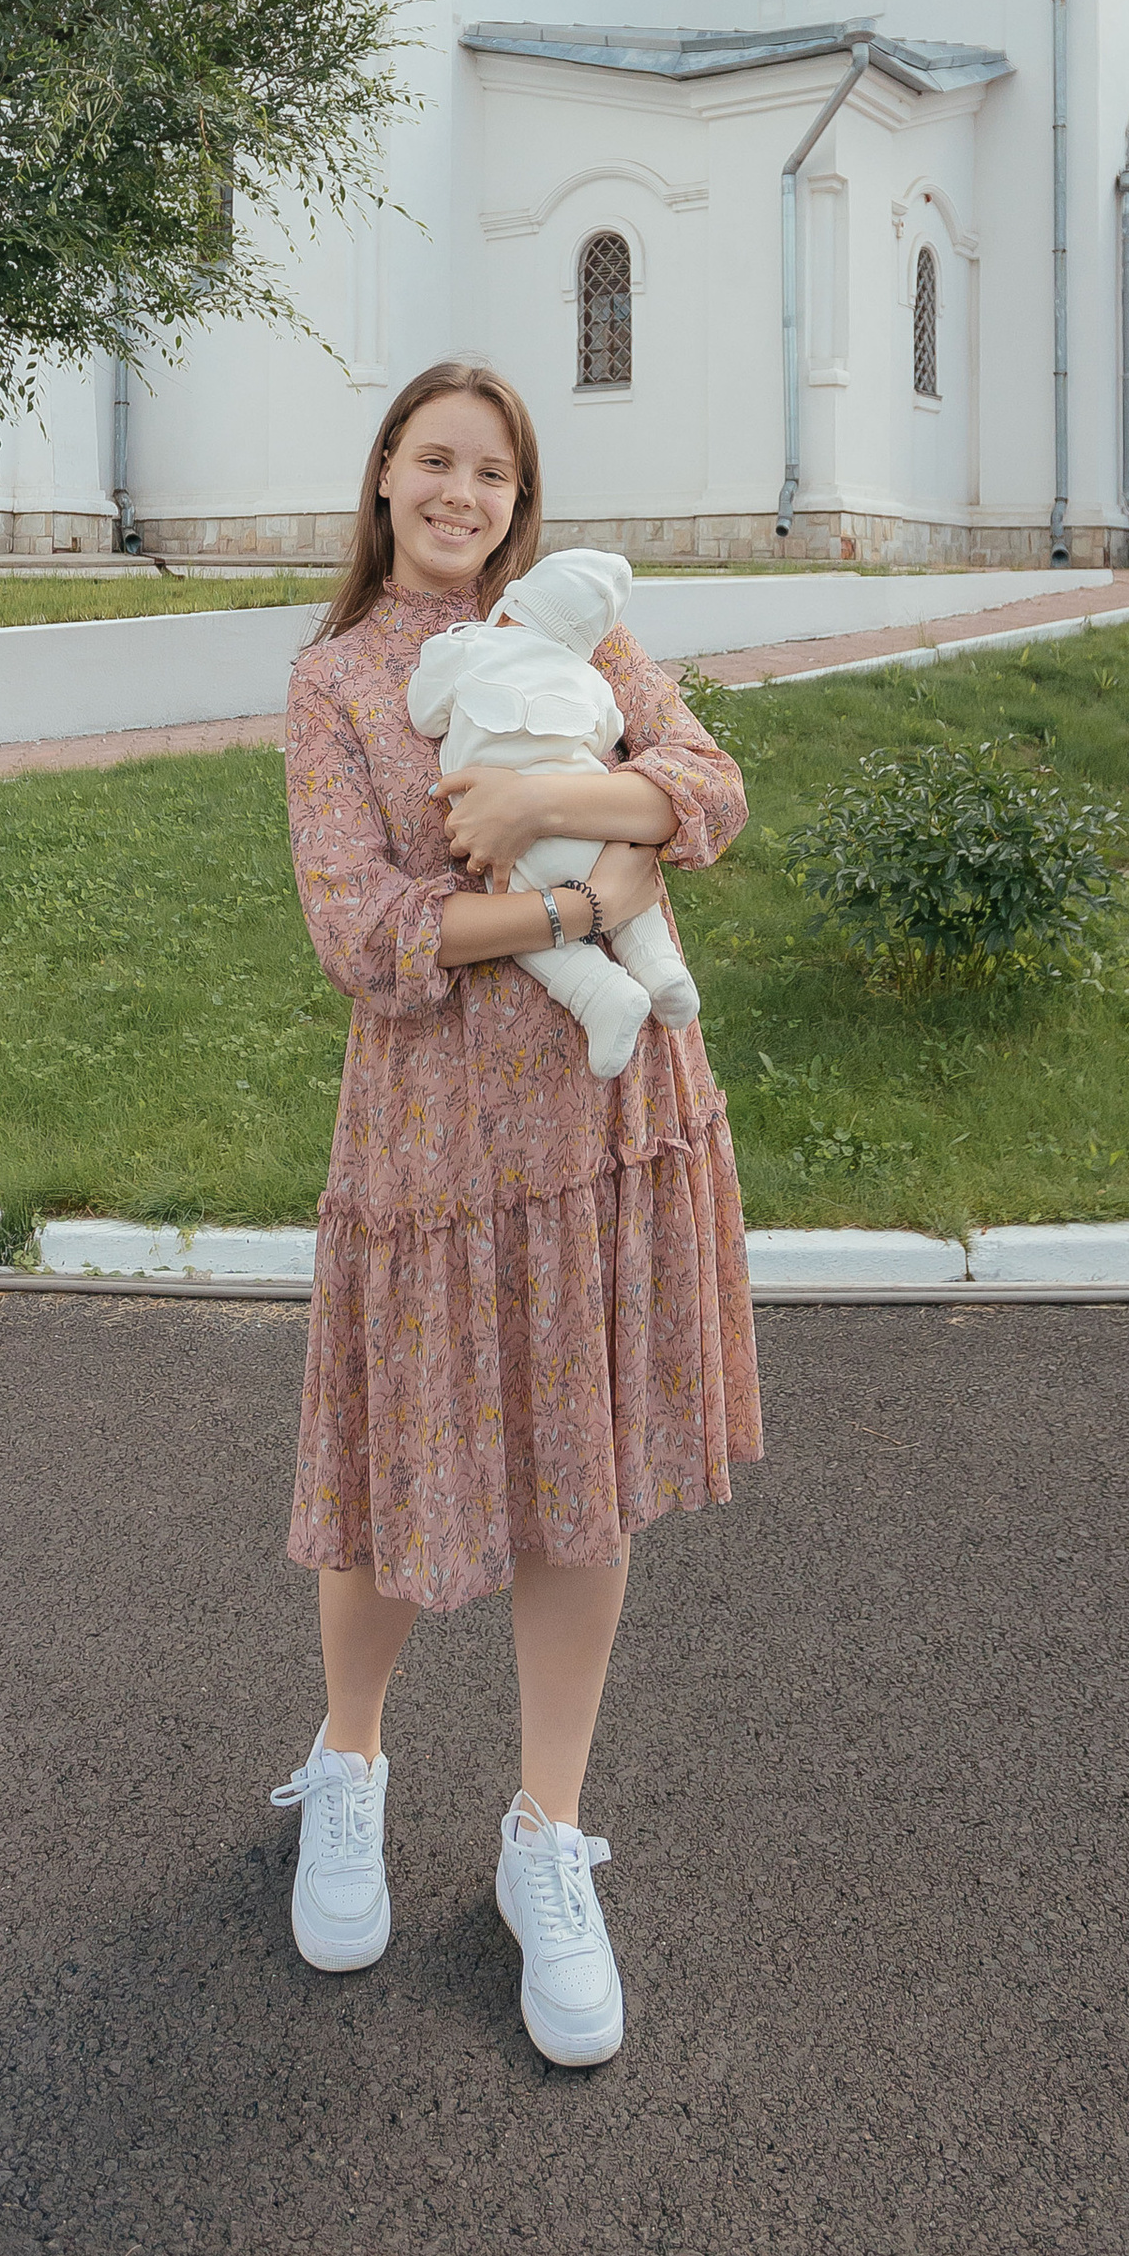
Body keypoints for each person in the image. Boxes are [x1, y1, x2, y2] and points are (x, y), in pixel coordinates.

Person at [272, 359, 762, 2068]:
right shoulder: (336, 683)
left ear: (520, 493)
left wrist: (562, 816)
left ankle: (546, 1835)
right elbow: (363, 927)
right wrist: (586, 889)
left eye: (491, 468)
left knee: (584, 1473)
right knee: (396, 1471)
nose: (461, 492)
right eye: (434, 461)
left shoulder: (585, 643)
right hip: (428, 1148)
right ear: (387, 480)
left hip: (604, 1123)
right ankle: (351, 1763)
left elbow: (706, 787)